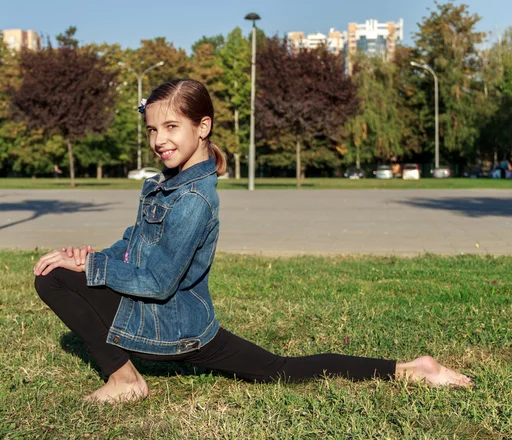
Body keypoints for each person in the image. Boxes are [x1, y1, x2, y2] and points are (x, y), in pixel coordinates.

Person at [33, 79, 472, 404]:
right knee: (54, 273)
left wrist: (93, 270)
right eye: (151, 130)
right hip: (167, 319)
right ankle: (412, 369)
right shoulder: (164, 183)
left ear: (202, 127)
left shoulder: (194, 199)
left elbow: (159, 281)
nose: (158, 140)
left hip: (176, 327)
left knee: (281, 370)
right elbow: (136, 243)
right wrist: (90, 256)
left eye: (171, 127)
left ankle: (126, 381)